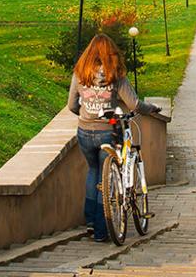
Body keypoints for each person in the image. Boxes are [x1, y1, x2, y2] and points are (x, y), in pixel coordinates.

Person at [67, 34, 160, 242]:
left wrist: (86, 115)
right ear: (111, 53)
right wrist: (151, 108)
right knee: (105, 179)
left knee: (93, 172)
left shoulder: (80, 73)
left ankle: (91, 222)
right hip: (107, 132)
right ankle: (102, 231)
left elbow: (72, 105)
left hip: (84, 131)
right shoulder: (114, 74)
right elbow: (135, 104)